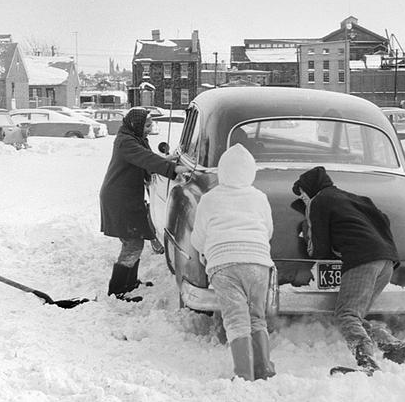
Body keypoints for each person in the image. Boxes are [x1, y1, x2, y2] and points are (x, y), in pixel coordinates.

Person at [291, 166, 405, 374]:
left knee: (346, 314)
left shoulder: (319, 201)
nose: (304, 200)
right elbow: (384, 218)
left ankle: (367, 361)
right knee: (355, 315)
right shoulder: (357, 198)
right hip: (387, 260)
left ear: (311, 189)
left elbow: (318, 249)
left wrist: (306, 230)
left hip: (363, 260)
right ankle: (393, 346)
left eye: (303, 196)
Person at [190, 143, 275, 381]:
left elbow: (198, 236)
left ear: (222, 171)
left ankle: (243, 374)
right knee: (257, 316)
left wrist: (205, 249)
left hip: (224, 264)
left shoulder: (209, 198)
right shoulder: (259, 197)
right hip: (258, 262)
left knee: (236, 319)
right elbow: (268, 230)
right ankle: (264, 367)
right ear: (251, 171)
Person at [100, 108, 189, 302]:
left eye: (150, 125)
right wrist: (173, 169)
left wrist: (165, 161)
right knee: (132, 242)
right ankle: (117, 290)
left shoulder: (135, 139)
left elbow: (145, 160)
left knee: (134, 239)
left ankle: (129, 283)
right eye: (147, 125)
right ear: (137, 125)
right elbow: (144, 158)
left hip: (128, 196)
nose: (149, 129)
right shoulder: (126, 141)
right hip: (119, 198)